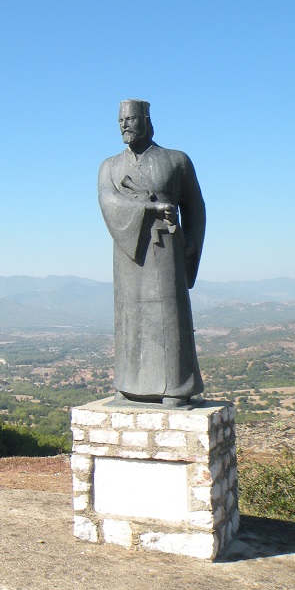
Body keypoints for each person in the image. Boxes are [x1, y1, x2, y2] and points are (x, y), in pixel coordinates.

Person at [98, 100, 205, 407]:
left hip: (167, 248)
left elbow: (195, 205)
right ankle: (129, 384)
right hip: (129, 251)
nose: (124, 125)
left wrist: (191, 241)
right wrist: (149, 208)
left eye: (130, 119)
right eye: (120, 120)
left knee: (170, 315)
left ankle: (176, 387)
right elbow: (108, 201)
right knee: (129, 315)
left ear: (145, 120)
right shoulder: (109, 166)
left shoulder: (176, 160)